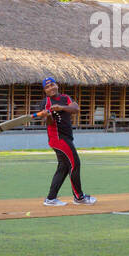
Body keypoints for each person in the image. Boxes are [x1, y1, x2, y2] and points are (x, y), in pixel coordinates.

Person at [37, 76, 94, 207]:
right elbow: (49, 122)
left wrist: (61, 108)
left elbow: (75, 109)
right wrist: (49, 116)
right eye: (47, 87)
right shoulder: (45, 103)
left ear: (56, 85)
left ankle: (51, 199)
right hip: (58, 139)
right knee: (75, 164)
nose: (50, 88)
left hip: (66, 137)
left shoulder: (65, 98)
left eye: (52, 85)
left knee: (63, 167)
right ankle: (79, 197)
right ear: (45, 91)